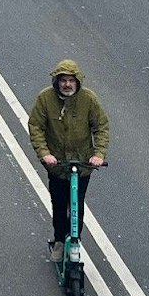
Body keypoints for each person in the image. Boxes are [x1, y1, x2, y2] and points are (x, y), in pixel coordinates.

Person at [26, 60, 110, 258]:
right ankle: (59, 241)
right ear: (57, 81)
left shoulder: (88, 99)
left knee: (76, 205)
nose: (67, 84)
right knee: (59, 203)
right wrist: (45, 154)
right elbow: (36, 126)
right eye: (63, 80)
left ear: (77, 81)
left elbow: (101, 127)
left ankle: (74, 240)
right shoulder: (45, 99)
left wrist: (98, 154)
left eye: (71, 80)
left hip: (82, 164)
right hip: (57, 165)